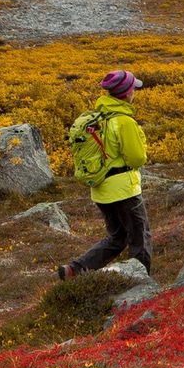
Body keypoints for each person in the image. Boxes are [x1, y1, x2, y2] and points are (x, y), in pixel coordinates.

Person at [58, 69, 153, 278]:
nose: (134, 92)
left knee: (118, 238)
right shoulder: (124, 121)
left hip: (100, 191)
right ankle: (141, 285)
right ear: (128, 93)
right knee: (141, 239)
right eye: (133, 89)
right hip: (124, 192)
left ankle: (75, 269)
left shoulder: (96, 117)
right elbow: (137, 159)